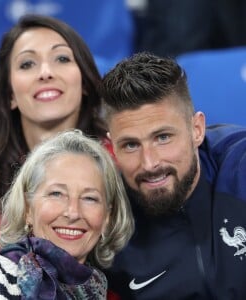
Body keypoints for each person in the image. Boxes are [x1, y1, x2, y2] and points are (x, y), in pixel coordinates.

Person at [0, 14, 114, 263]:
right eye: (27, 64)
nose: (45, 73)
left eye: (62, 58)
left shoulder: (117, 158)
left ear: (85, 84)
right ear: (10, 94)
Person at [99, 51, 246, 299]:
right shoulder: (104, 220)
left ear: (196, 130)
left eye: (163, 137)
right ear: (113, 147)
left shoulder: (239, 166)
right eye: (131, 145)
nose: (150, 163)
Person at [0, 130, 134, 299]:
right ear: (28, 209)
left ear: (107, 217)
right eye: (56, 194)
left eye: (89, 198)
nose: (73, 212)